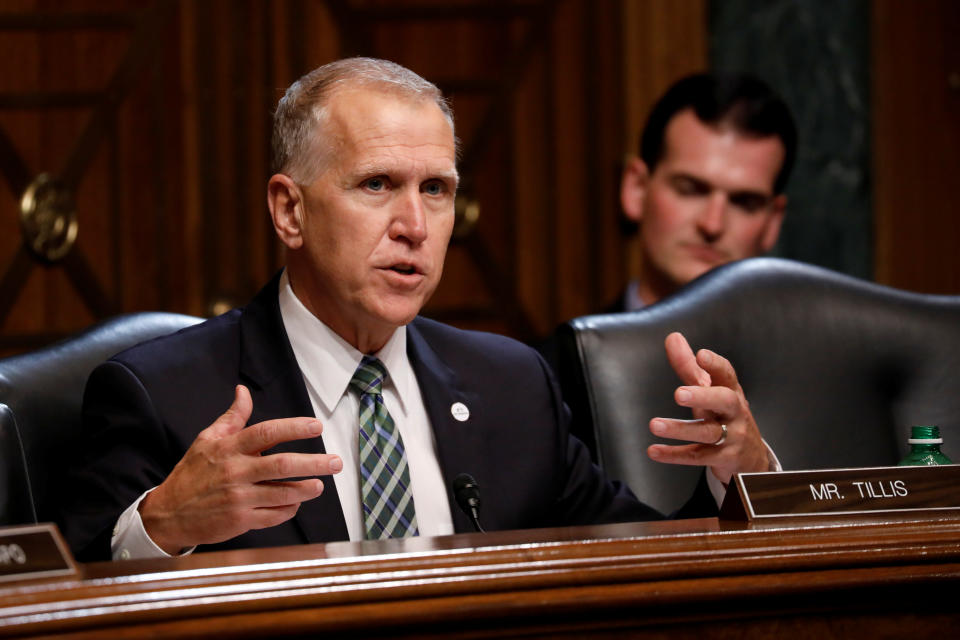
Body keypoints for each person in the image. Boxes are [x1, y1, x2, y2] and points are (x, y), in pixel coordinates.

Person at [60, 58, 773, 562]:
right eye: (376, 184)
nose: (415, 224)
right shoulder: (164, 394)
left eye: (436, 189)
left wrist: (741, 477)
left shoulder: (509, 385)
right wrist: (161, 526)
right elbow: (64, 597)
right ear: (289, 211)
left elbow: (645, 565)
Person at [617, 72, 796, 310]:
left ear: (773, 222)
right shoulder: (563, 348)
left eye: (744, 203)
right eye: (690, 190)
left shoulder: (819, 348)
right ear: (637, 189)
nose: (712, 225)